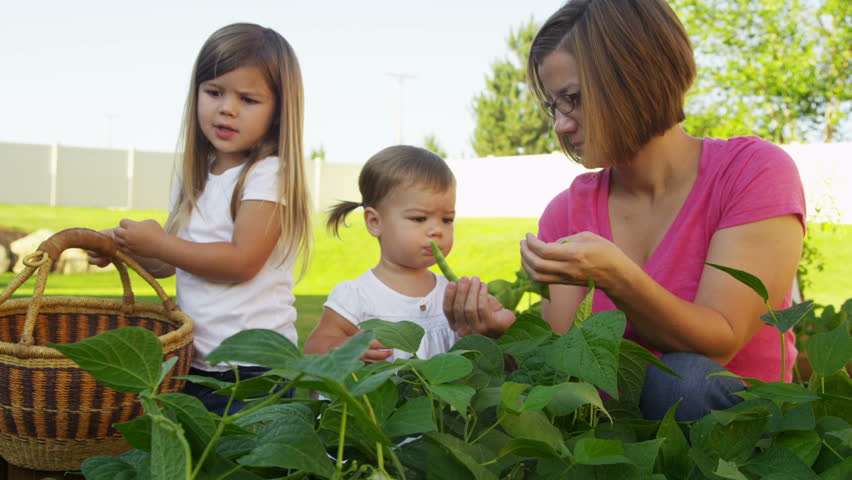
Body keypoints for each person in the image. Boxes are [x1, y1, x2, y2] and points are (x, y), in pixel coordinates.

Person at [442, 0, 805, 422]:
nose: (560, 124)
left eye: (573, 99)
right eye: (553, 105)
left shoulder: (752, 172)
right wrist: (502, 332)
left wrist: (615, 274)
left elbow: (718, 344)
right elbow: (563, 371)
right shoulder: (566, 211)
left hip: (736, 433)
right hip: (620, 433)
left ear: (635, 78)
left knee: (682, 380)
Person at [89, 23, 312, 415]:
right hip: (196, 364)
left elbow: (242, 261)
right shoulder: (195, 176)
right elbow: (172, 263)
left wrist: (160, 242)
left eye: (248, 99)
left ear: (279, 111)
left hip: (255, 371)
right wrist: (125, 246)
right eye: (214, 92)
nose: (227, 108)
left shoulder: (268, 173)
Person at [304, 145, 459, 362]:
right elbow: (313, 348)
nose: (437, 230)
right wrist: (348, 347)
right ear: (375, 222)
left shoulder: (451, 295)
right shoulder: (358, 296)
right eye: (419, 218)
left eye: (447, 219)